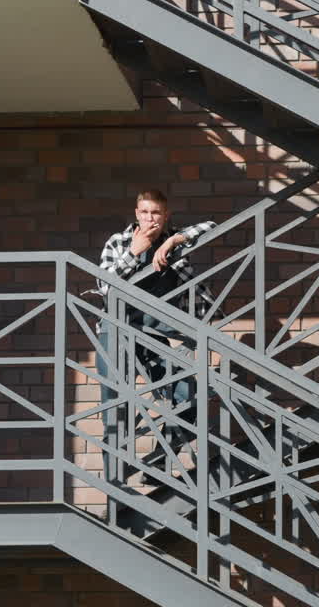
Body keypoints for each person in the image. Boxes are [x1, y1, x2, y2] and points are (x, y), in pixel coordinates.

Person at [96, 189, 216, 484]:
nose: (150, 218)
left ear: (166, 216)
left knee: (191, 397)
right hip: (117, 332)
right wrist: (134, 253)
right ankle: (115, 480)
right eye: (145, 212)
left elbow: (212, 226)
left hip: (154, 336)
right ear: (137, 213)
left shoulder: (173, 240)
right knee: (115, 406)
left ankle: (159, 461)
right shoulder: (119, 242)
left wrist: (175, 240)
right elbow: (105, 288)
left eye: (157, 213)